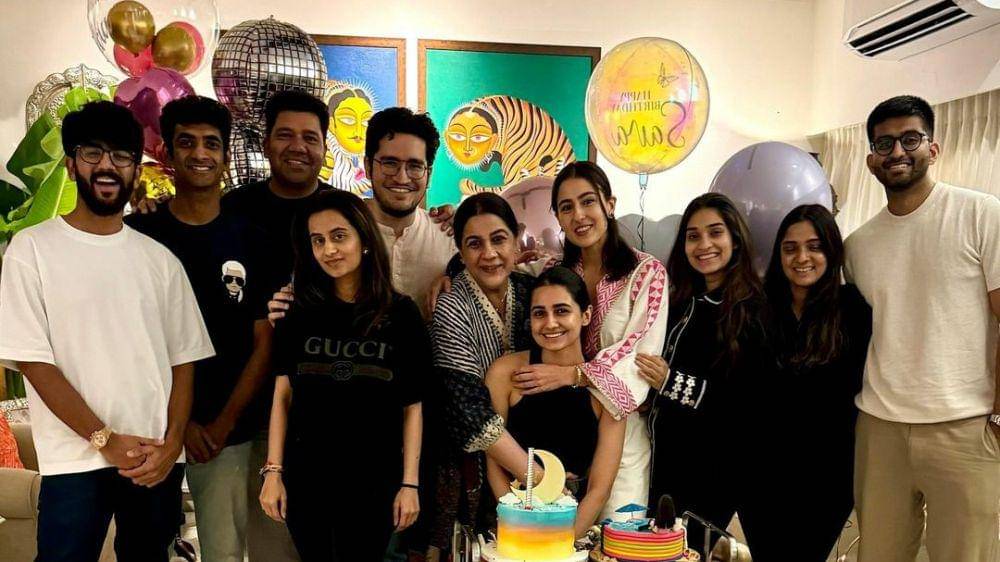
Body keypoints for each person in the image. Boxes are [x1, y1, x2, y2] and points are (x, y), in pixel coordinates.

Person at [0, 101, 214, 561]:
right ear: (71, 164)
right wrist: (104, 440)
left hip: (154, 460)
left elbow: (184, 362)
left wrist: (173, 442)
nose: (107, 166)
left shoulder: (160, 261)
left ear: (135, 169)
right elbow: (35, 363)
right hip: (74, 460)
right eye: (92, 153)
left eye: (121, 156)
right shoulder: (32, 249)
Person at [844, 95, 1000, 562]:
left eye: (910, 139)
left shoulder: (981, 213)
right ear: (870, 160)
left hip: (965, 426)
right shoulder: (858, 246)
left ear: (933, 149)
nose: (897, 151)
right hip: (879, 428)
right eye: (884, 143)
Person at [125, 96, 277, 562]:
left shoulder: (252, 239)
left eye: (212, 143)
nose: (200, 153)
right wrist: (180, 423)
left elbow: (263, 342)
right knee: (145, 547)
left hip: (226, 430)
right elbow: (131, 340)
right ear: (168, 153)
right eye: (187, 142)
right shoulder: (140, 234)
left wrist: (223, 422)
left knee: (224, 552)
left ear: (226, 156)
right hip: (151, 426)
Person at [258, 190, 427, 561]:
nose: (329, 250)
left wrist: (410, 483)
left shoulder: (400, 314)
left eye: (338, 236)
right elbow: (282, 396)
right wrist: (273, 472)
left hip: (374, 480)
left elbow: (412, 406)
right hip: (306, 478)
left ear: (364, 240)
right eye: (318, 240)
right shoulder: (297, 311)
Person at [518, 161, 668, 516]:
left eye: (588, 201)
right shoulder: (555, 270)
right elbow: (500, 269)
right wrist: (448, 273)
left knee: (618, 529)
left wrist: (572, 375)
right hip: (563, 428)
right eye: (566, 207)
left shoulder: (646, 274)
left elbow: (639, 355)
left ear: (609, 205)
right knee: (551, 530)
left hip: (621, 427)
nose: (579, 215)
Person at [638, 193, 770, 557]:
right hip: (661, 455)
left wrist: (670, 383)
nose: (704, 244)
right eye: (693, 236)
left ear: (735, 239)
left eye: (715, 232)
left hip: (713, 466)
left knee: (686, 550)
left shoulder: (753, 310)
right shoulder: (680, 302)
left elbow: (745, 400)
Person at [750, 204, 871, 561]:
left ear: (831, 251)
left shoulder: (853, 310)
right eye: (790, 248)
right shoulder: (758, 309)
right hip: (761, 474)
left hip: (828, 474)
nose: (802, 257)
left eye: (814, 247)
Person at [426, 193, 541, 559]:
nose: (489, 253)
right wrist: (536, 478)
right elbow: (466, 408)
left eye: (498, 239)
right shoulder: (451, 305)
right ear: (460, 252)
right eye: (474, 244)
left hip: (531, 450)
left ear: (516, 239)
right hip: (468, 469)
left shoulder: (532, 292)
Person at [485, 267, 626, 539]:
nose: (550, 323)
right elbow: (493, 458)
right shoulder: (505, 373)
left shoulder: (606, 385)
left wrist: (562, 541)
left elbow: (600, 488)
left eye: (562, 311)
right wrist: (516, 525)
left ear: (586, 315)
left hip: (574, 519)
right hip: (510, 514)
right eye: (539, 313)